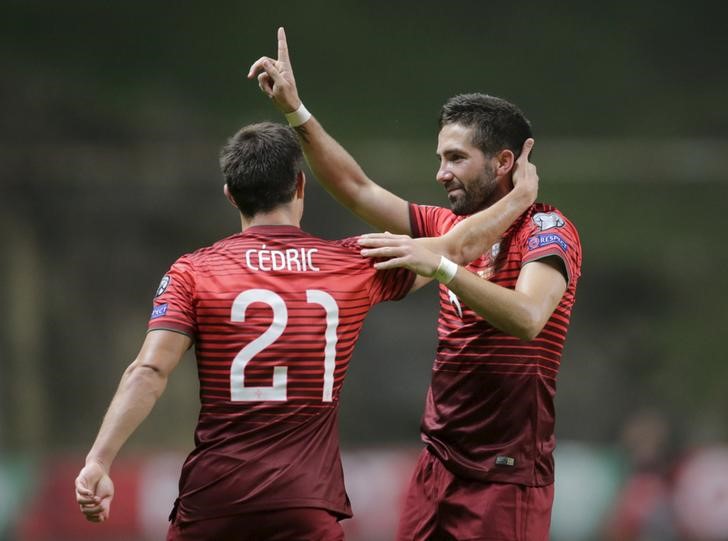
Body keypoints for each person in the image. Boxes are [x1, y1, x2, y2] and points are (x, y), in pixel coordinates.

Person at [74, 120, 537, 540]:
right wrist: (517, 199)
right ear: (300, 186)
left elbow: (148, 371)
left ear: (230, 195)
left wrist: (99, 459)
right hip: (305, 502)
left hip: (215, 498)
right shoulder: (353, 264)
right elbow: (457, 249)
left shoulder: (193, 272)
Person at [249, 28, 582, 541]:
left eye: (455, 158)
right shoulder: (447, 229)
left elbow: (528, 318)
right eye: (440, 158)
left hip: (505, 474)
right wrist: (297, 112)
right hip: (437, 464)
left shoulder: (547, 230)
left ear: (505, 163)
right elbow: (357, 188)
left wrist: (442, 269)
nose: (440, 173)